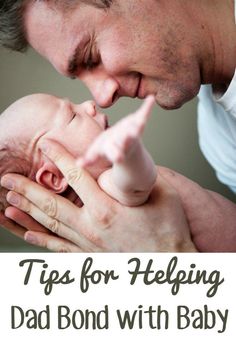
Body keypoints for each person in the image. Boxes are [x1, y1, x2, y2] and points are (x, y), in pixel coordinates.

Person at [0, 0, 235, 252]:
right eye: (71, 117)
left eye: (90, 57)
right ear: (53, 178)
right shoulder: (219, 141)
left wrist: (172, 259)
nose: (101, 99)